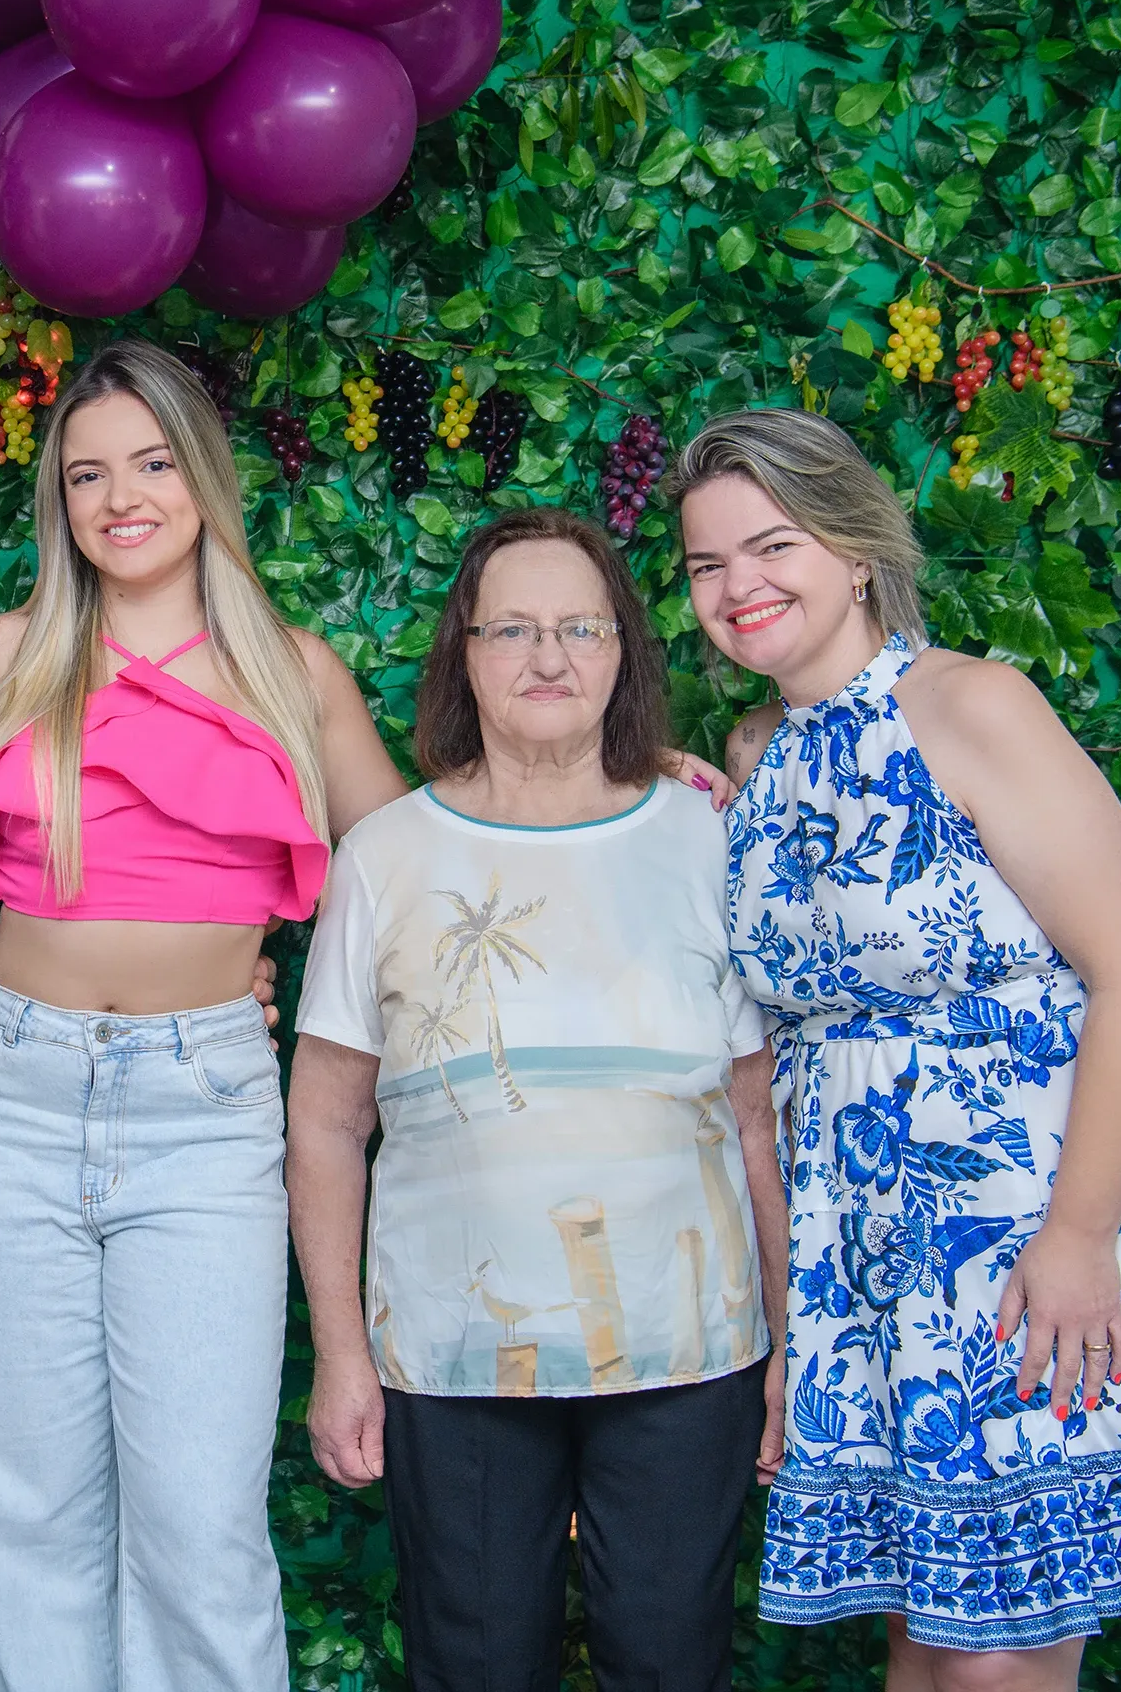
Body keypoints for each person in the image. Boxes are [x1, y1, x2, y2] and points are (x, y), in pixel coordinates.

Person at [676, 408, 1121, 1688]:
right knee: (926, 1641)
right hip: (866, 1245)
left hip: (1030, 1219)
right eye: (707, 563)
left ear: (854, 550)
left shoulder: (967, 703)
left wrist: (1077, 1237)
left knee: (1000, 1656)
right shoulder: (765, 758)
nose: (738, 584)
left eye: (772, 545)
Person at [0, 339, 407, 1690]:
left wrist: (614, 776)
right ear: (58, 501)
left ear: (204, 479)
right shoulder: (7, 653)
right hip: (9, 1091)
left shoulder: (294, 672)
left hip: (206, 1106)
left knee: (199, 1520)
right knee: (29, 1515)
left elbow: (413, 876)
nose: (120, 497)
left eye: (151, 462)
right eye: (86, 475)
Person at [286, 507, 788, 1692]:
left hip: (689, 1353)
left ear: (623, 649)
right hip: (453, 1358)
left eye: (581, 627)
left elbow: (756, 1117)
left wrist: (788, 1340)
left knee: (669, 1662)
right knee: (472, 1666)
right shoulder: (385, 855)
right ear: (463, 651)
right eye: (512, 628)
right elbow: (326, 1122)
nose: (549, 656)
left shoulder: (708, 835)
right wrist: (341, 1354)